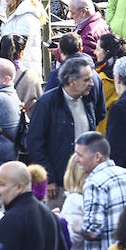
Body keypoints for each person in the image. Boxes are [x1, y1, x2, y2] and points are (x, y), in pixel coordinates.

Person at [25, 56, 98, 198]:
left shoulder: (87, 100)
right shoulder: (47, 103)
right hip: (59, 185)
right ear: (71, 81)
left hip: (86, 182)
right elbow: (34, 143)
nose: (92, 83)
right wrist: (48, 178)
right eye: (86, 79)